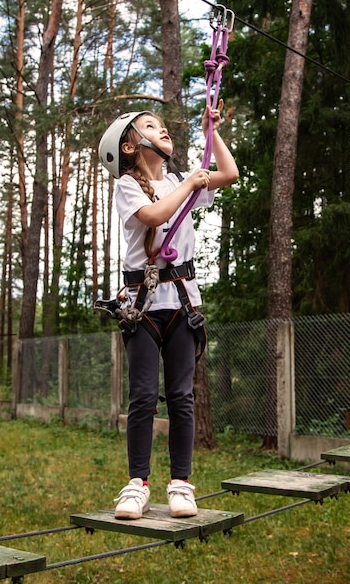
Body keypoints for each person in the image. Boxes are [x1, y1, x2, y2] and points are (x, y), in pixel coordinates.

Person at [98, 101, 238, 520]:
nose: (163, 131)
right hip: (142, 308)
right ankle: (136, 484)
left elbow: (229, 174)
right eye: (151, 127)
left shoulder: (180, 180)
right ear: (130, 147)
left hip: (180, 303)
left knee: (181, 396)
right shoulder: (128, 186)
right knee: (142, 397)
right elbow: (155, 214)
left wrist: (210, 130)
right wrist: (191, 183)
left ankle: (181, 484)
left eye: (163, 126)